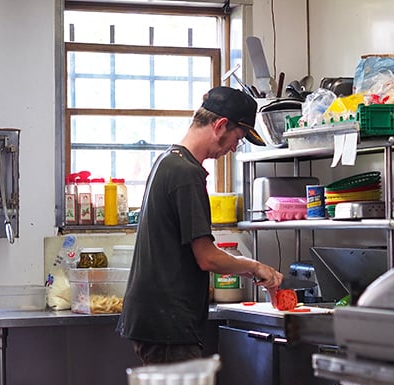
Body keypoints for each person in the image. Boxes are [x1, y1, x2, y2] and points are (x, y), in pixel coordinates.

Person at [117, 86, 283, 365]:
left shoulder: (168, 161)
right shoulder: (186, 174)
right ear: (220, 126)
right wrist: (255, 266)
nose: (233, 148)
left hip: (157, 321)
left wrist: (241, 269)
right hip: (168, 325)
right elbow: (207, 257)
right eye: (237, 139)